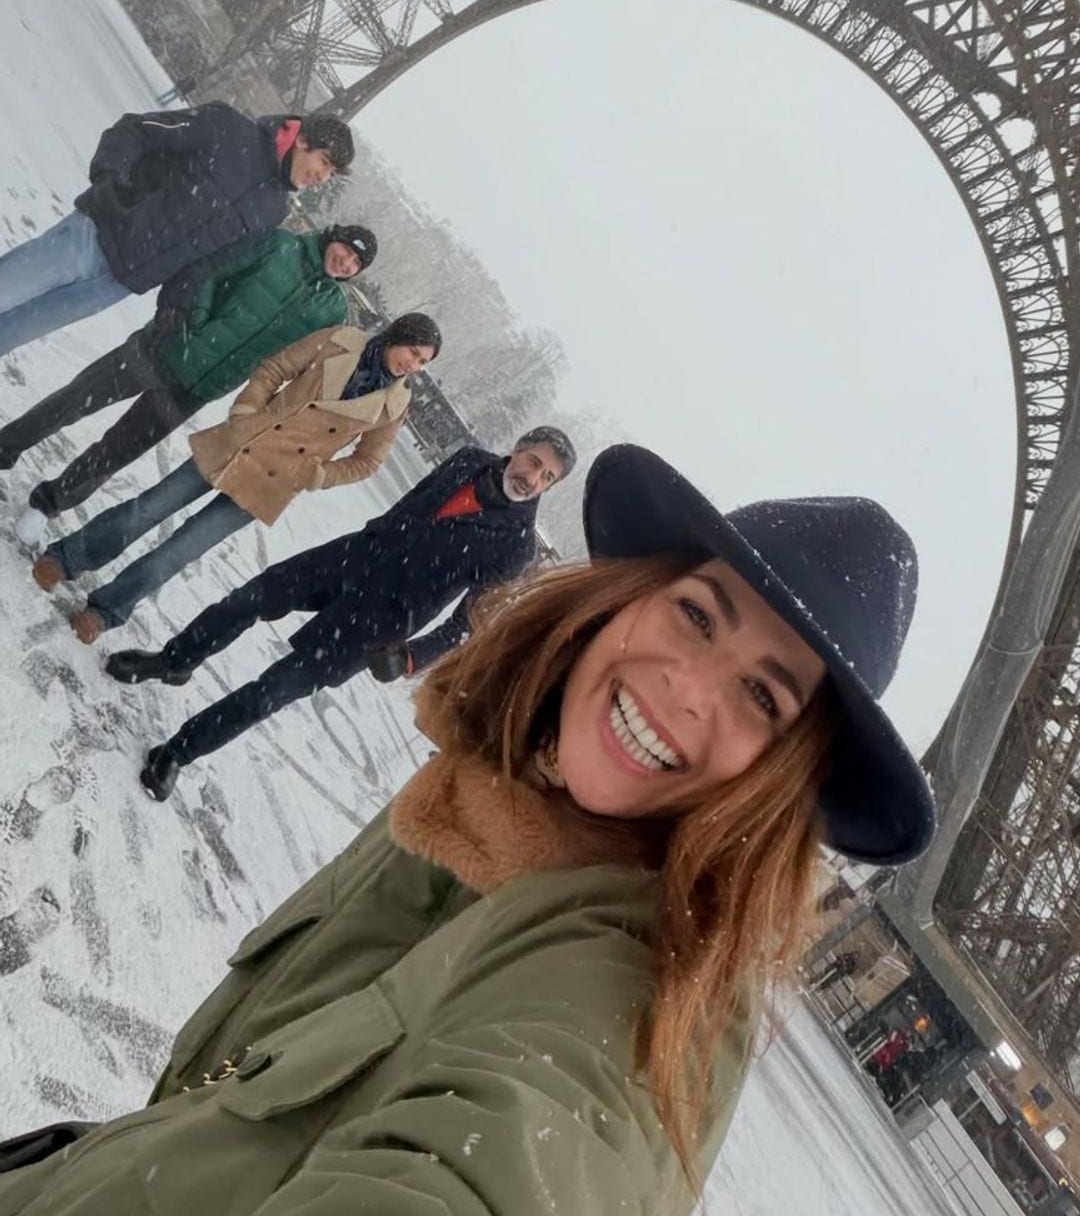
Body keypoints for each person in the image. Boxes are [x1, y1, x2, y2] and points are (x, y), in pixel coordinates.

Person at [0, 444, 935, 1213]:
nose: (685, 691)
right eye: (697, 614)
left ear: (786, 782)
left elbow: (505, 1159)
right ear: (634, 596)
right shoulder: (496, 765)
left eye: (762, 696)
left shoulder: (639, 987)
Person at [104, 426, 578, 800]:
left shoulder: (515, 546)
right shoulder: (469, 461)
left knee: (271, 691)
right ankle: (173, 661)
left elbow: (465, 624)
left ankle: (178, 752)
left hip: (381, 620)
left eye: (547, 478)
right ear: (517, 449)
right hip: (354, 557)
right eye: (534, 462)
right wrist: (380, 532)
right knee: (244, 601)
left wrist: (411, 656)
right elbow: (417, 499)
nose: (533, 479)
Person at [30, 314, 442, 646]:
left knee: (182, 549)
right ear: (396, 336)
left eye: (423, 362)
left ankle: (105, 611)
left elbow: (367, 461)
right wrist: (247, 410)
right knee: (149, 507)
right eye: (413, 351)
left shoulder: (395, 403)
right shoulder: (341, 338)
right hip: (244, 441)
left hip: (275, 480)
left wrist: (319, 475)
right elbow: (276, 367)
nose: (413, 364)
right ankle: (67, 559)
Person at [0, 224, 378, 525]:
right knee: (74, 401)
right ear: (335, 237)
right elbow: (213, 272)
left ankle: (48, 504)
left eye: (355, 264)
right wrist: (193, 324)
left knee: (119, 449)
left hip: (200, 385)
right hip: (162, 347)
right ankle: (6, 447)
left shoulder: (331, 310)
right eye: (347, 250)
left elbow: (298, 362)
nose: (345, 262)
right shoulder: (279, 245)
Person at [0, 103, 355, 358]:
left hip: (116, 285)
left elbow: (206, 260)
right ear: (301, 138)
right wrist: (110, 181)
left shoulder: (272, 209)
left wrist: (177, 305)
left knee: (13, 333)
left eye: (331, 174)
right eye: (324, 162)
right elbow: (136, 131)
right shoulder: (227, 127)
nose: (322, 178)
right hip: (93, 235)